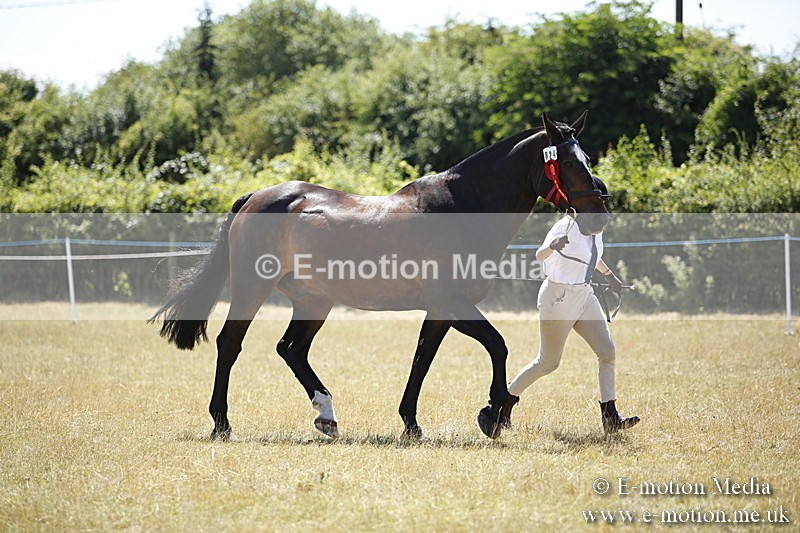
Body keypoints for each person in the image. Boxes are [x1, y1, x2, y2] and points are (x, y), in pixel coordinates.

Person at [501, 187, 640, 435]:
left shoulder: (595, 227)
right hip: (558, 297)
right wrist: (553, 246)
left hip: (584, 295)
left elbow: (592, 256)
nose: (600, 207)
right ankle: (504, 404)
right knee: (548, 363)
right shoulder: (564, 226)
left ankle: (610, 417)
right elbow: (539, 255)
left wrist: (610, 276)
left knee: (607, 352)